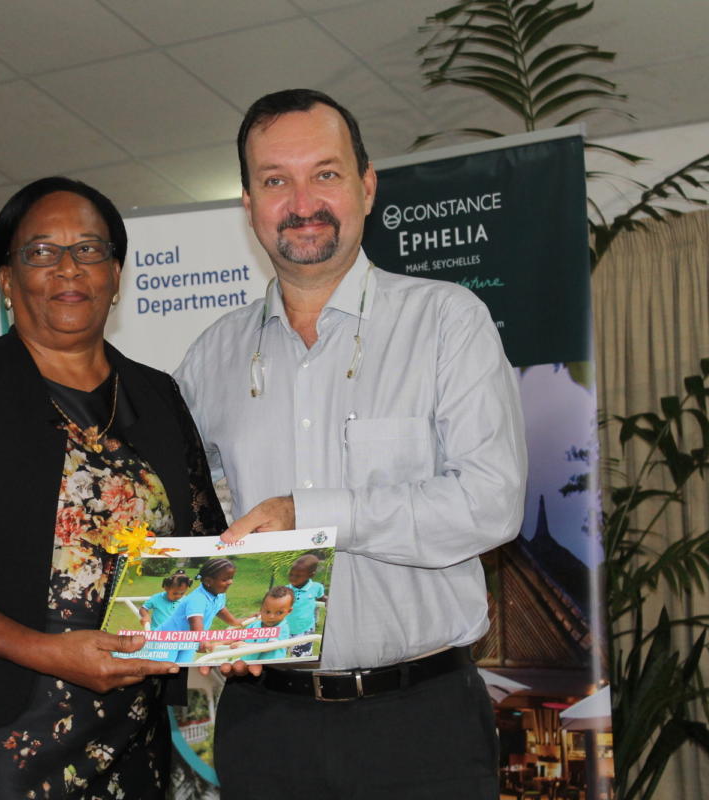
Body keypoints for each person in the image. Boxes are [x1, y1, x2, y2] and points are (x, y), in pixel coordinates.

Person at [174, 89, 527, 798]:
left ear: (367, 186)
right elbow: (196, 522)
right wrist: (211, 623)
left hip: (421, 724)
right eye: (276, 180)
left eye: (325, 174)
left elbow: (491, 504)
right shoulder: (209, 359)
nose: (302, 202)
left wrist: (308, 513)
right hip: (263, 725)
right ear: (249, 204)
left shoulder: (446, 322)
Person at [0, 176, 227, 800]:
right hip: (0, 727)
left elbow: (202, 542)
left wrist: (246, 623)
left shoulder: (158, 396)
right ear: (7, 279)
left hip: (135, 720)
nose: (69, 268)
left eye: (89, 249)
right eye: (41, 252)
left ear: (115, 274)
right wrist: (50, 652)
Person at [155, 558, 243, 663]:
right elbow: (195, 622)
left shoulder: (219, 595)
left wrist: (237, 622)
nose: (230, 582)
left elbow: (220, 610)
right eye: (225, 580)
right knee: (165, 668)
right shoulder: (198, 599)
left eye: (231, 578)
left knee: (184, 667)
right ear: (208, 581)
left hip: (187, 642)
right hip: (166, 641)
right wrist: (202, 641)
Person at [233, 585, 294, 661]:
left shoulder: (282, 628)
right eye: (267, 611)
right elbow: (240, 637)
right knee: (231, 666)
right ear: (261, 609)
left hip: (268, 664)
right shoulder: (254, 625)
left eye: (279, 613)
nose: (271, 616)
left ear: (289, 611)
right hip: (247, 661)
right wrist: (223, 643)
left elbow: (270, 646)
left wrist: (246, 645)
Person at [284, 553, 327, 657]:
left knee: (300, 659)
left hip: (305, 631)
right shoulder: (285, 589)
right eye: (291, 574)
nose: (293, 578)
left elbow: (321, 597)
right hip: (285, 629)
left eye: (298, 575)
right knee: (277, 657)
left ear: (311, 575)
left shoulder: (317, 587)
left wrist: (328, 600)